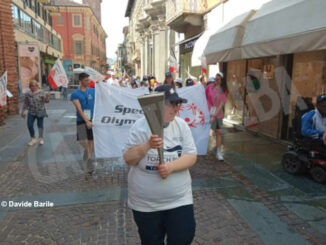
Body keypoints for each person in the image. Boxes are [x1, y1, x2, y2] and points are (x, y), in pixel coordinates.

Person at [123, 84, 197, 245]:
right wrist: (147, 145)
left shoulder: (181, 125)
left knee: (183, 238)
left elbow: (191, 156)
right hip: (145, 205)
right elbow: (128, 159)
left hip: (179, 200)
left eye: (178, 103)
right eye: (172, 103)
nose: (177, 108)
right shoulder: (139, 127)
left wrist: (171, 167)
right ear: (156, 105)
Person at [70, 73, 95, 176]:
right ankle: (87, 150)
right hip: (81, 119)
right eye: (86, 80)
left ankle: (89, 161)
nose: (88, 82)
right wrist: (86, 121)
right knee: (81, 140)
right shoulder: (75, 94)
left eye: (89, 80)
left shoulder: (92, 91)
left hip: (92, 119)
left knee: (91, 140)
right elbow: (79, 109)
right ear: (80, 81)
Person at [206, 72, 228, 160]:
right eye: (215, 79)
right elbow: (204, 98)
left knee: (218, 132)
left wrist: (214, 116)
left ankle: (218, 151)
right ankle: (202, 148)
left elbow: (221, 105)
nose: (215, 80)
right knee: (205, 131)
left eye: (217, 79)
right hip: (208, 113)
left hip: (218, 115)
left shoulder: (224, 90)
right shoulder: (210, 87)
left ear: (222, 80)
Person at [21, 80, 50, 146]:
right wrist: (22, 111)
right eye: (32, 86)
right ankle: (33, 138)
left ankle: (41, 138)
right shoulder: (27, 94)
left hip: (40, 111)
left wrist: (47, 96)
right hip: (31, 112)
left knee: (40, 125)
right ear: (30, 87)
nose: (34, 87)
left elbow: (47, 101)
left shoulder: (41, 92)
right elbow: (25, 103)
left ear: (37, 86)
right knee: (29, 125)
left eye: (35, 86)